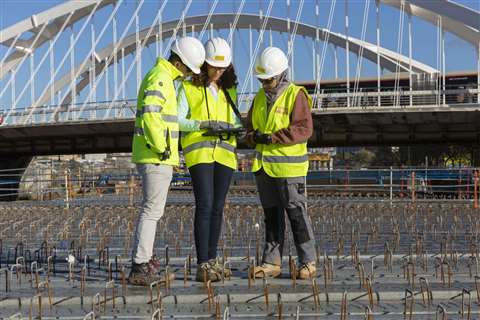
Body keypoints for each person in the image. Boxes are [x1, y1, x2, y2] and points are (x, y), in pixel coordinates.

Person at [129, 36, 206, 286]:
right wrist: (161, 147)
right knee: (151, 211)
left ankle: (145, 259)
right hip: (156, 156)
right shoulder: (161, 78)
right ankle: (140, 266)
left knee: (153, 210)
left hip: (156, 155)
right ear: (181, 62)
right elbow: (151, 116)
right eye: (188, 69)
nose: (187, 74)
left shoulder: (162, 76)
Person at [246, 47, 317, 279]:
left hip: (289, 168)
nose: (266, 84)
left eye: (270, 79)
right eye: (263, 80)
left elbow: (303, 128)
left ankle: (308, 261)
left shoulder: (295, 94)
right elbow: (249, 128)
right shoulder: (258, 99)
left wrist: (273, 137)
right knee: (272, 216)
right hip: (265, 167)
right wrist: (252, 136)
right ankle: (271, 262)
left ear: (282, 74)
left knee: (296, 214)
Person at [177, 37, 242, 282]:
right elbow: (177, 118)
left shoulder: (230, 89)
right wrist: (200, 124)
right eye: (214, 67)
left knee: (217, 208)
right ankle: (202, 263)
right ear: (204, 64)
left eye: (222, 68)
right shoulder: (189, 87)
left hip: (224, 153)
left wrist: (237, 128)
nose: (218, 72)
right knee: (204, 205)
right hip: (200, 153)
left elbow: (235, 119)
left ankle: (212, 260)